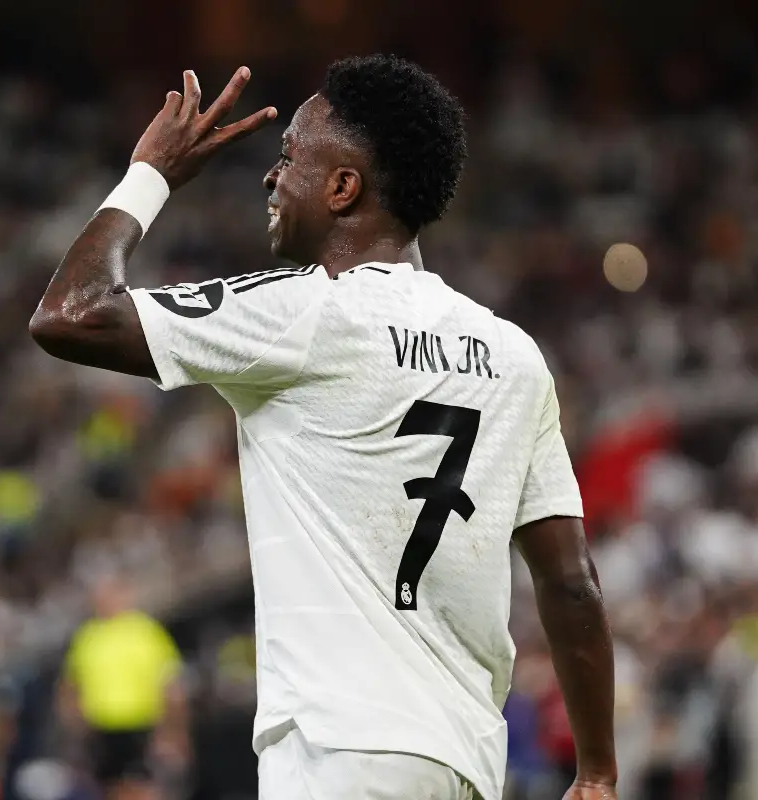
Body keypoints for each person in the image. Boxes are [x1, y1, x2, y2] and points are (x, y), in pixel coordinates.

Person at [30, 54, 617, 800]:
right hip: (466, 761)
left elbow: (69, 314)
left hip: (341, 754)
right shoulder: (514, 356)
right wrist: (597, 772)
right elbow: (571, 581)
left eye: (288, 158)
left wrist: (151, 175)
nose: (270, 178)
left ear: (343, 188)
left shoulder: (306, 312)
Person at [61, 577, 182, 799]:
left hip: (142, 723)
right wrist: (75, 725)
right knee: (111, 785)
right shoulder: (88, 636)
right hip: (102, 727)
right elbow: (72, 684)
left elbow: (169, 683)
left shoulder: (146, 632)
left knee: (144, 783)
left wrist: (171, 730)